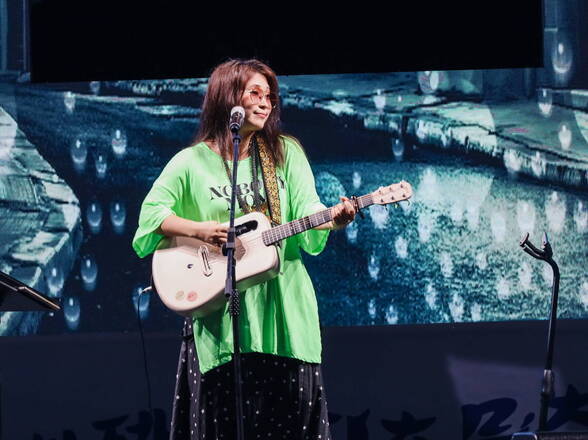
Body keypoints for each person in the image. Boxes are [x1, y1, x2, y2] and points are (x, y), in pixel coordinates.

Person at [132, 59, 356, 439]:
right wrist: (201, 230)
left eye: (269, 95)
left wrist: (334, 218)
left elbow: (308, 211)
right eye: (255, 92)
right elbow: (151, 218)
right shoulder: (190, 163)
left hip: (284, 317)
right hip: (221, 316)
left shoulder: (285, 153)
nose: (265, 102)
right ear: (228, 98)